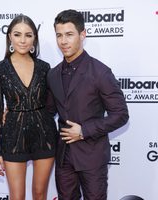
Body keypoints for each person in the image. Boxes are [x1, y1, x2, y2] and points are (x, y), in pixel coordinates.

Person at [47, 9, 129, 200]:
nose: (63, 41)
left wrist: (84, 130)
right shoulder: (53, 74)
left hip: (92, 157)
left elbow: (121, 114)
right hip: (64, 157)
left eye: (69, 34)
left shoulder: (100, 72)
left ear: (82, 35)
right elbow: (49, 111)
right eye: (59, 35)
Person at [0, 14, 57, 200]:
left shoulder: (45, 67)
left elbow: (53, 103)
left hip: (44, 135)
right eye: (18, 34)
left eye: (28, 35)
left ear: (34, 38)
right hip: (12, 138)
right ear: (9, 36)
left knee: (39, 193)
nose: (23, 40)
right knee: (17, 196)